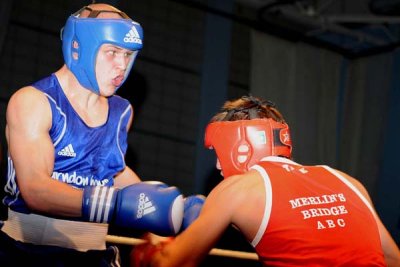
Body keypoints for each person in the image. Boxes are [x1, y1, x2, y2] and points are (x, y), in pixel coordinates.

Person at [0, 3, 195, 267]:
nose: (122, 65)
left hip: (95, 253)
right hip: (29, 251)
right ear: (78, 47)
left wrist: (164, 212)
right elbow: (36, 190)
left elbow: (112, 170)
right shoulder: (34, 102)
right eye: (113, 52)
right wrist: (116, 204)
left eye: (128, 54)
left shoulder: (121, 111)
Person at [131, 95, 400, 267]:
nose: (216, 165)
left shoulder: (237, 190)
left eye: (217, 153)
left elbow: (176, 263)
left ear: (241, 147)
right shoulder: (346, 180)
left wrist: (152, 247)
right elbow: (392, 259)